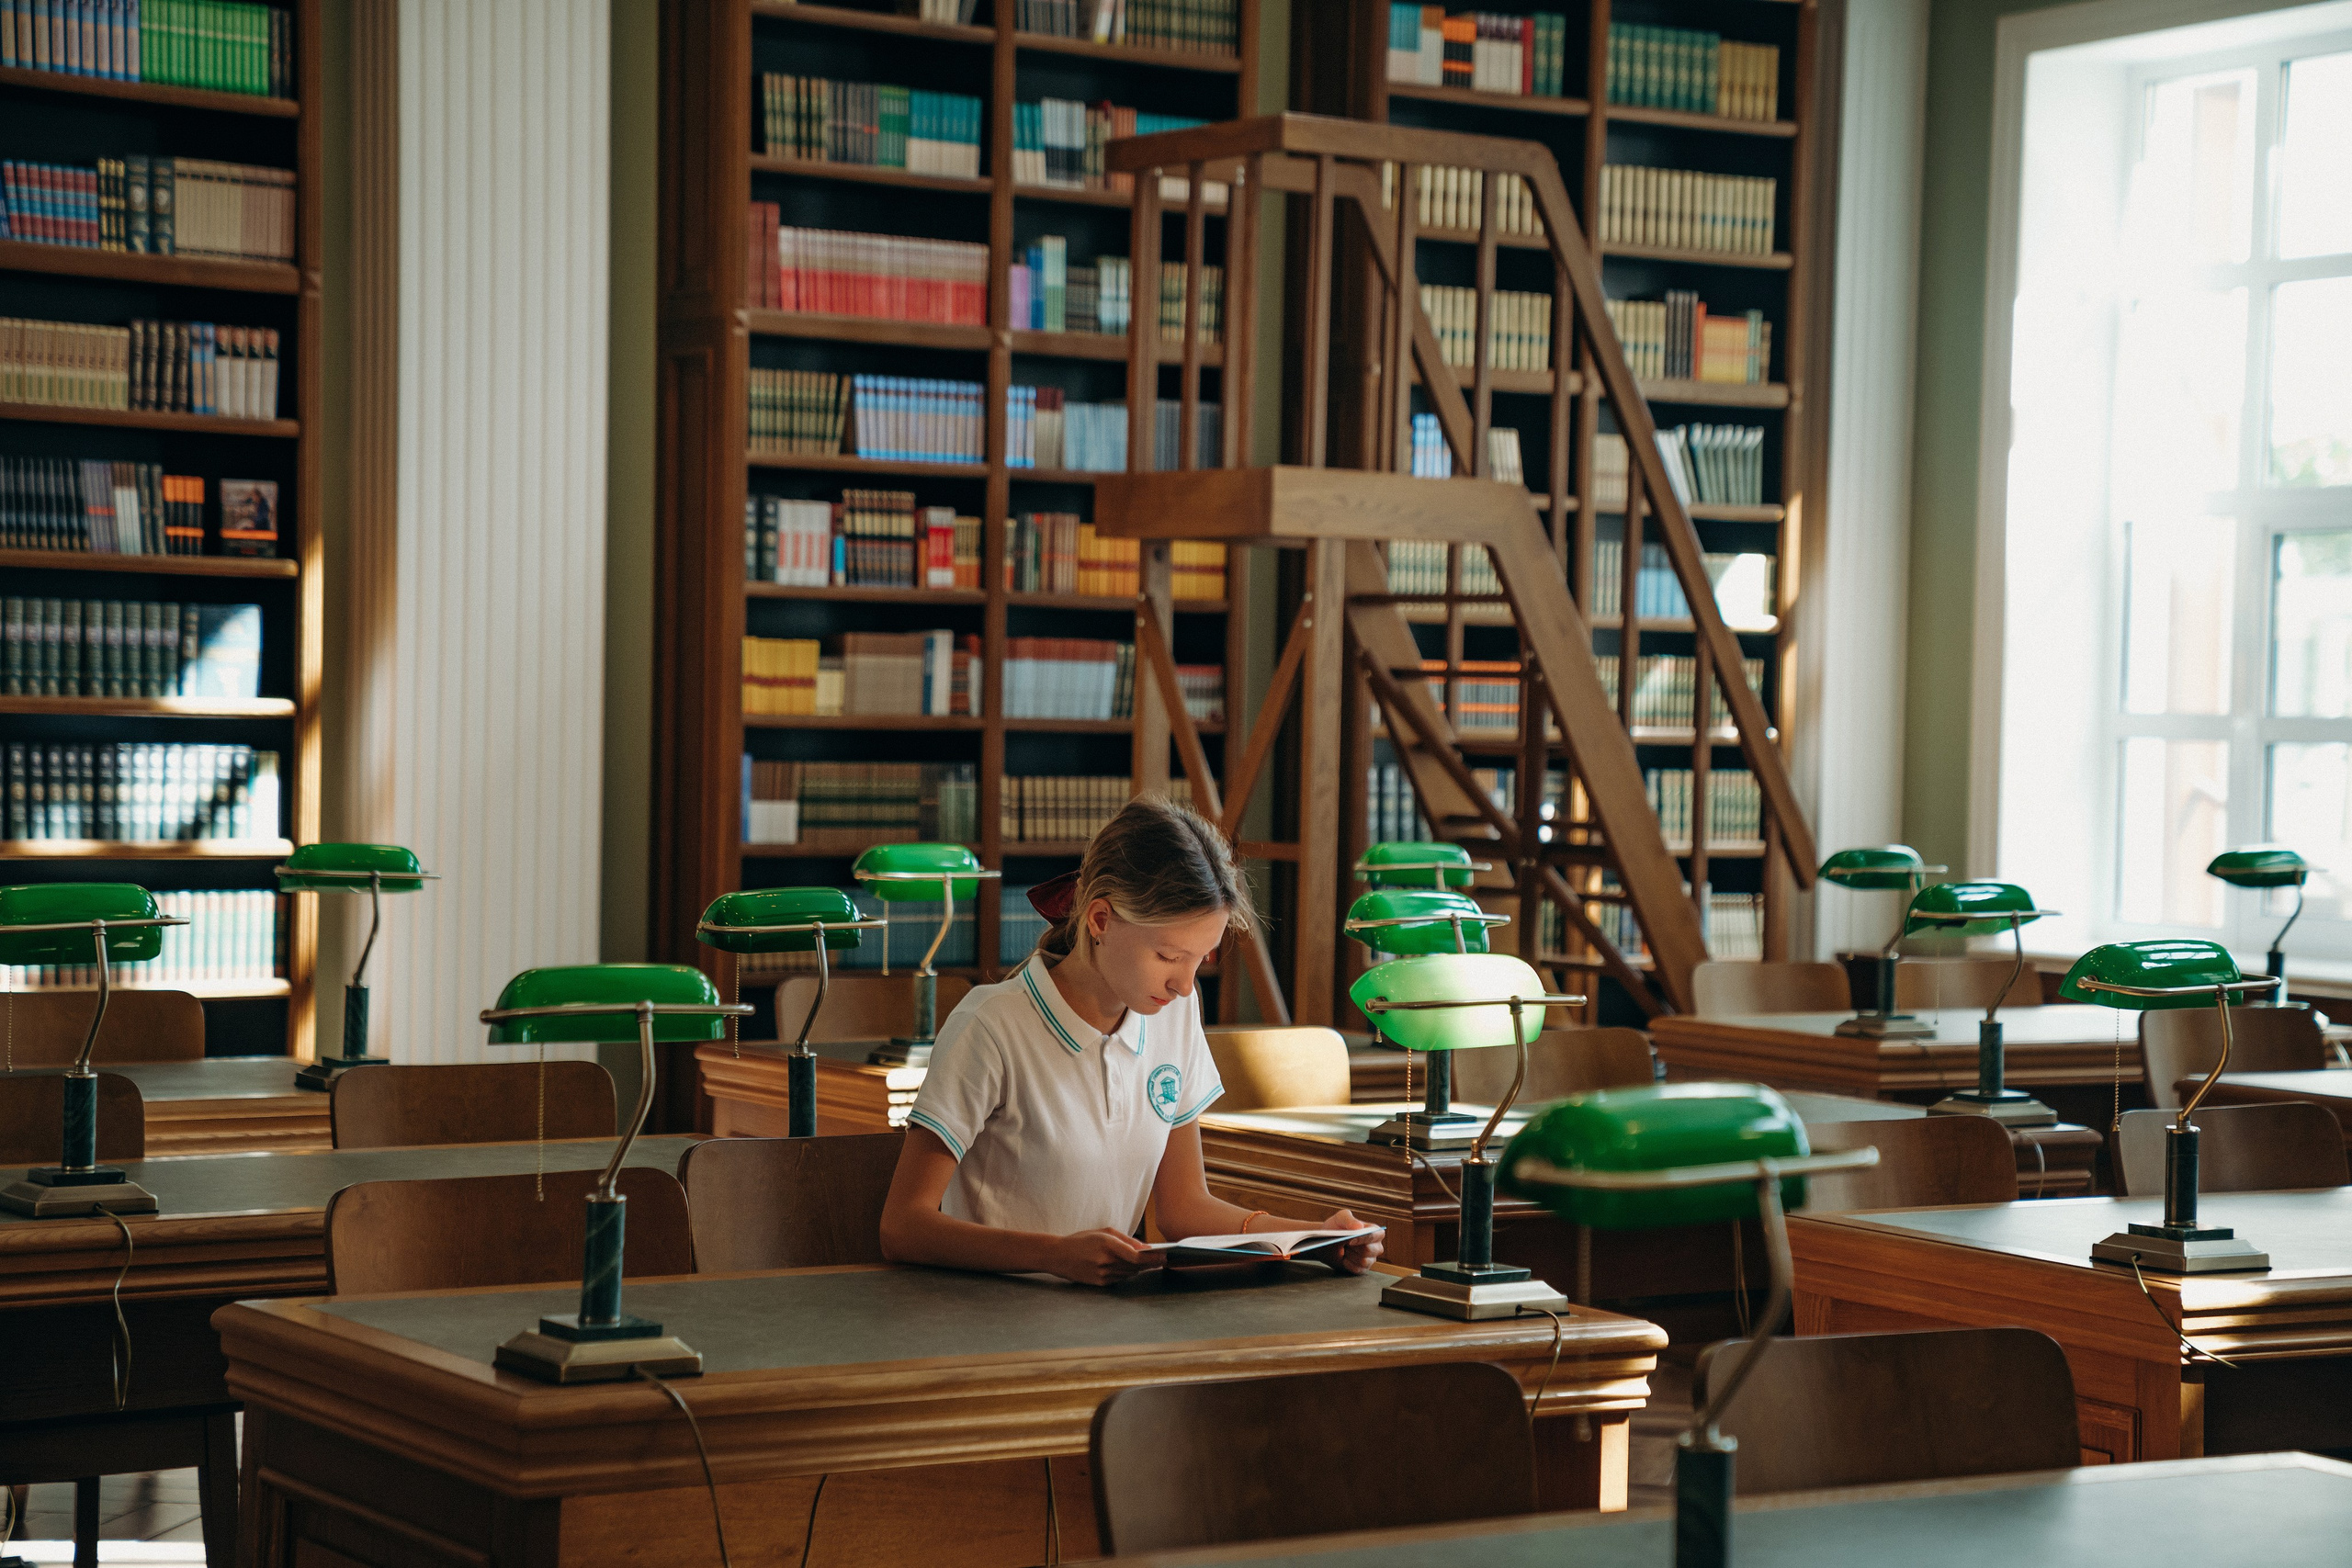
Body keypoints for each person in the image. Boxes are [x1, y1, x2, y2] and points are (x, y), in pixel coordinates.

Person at [879, 795, 1385, 1286]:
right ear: (1100, 920)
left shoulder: (1174, 1012)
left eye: (1201, 958)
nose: (1184, 984)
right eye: (1168, 956)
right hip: (991, 1320)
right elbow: (903, 1227)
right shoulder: (990, 1025)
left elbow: (1184, 1208)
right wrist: (1055, 1255)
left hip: (1108, 1318)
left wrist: (1314, 1237)